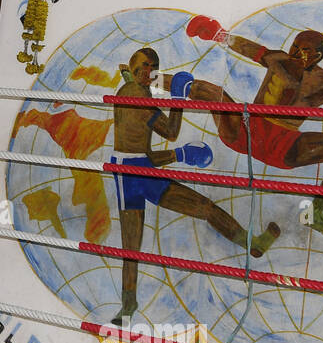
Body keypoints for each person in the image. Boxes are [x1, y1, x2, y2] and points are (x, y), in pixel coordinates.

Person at [182, 19, 323, 239]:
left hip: (283, 145)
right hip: (246, 131)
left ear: (317, 57)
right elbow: (249, 48)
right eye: (294, 45)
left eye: (303, 50)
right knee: (211, 92)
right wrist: (217, 35)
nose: (295, 52)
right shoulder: (278, 60)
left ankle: (315, 211)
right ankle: (155, 81)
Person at [109, 48, 280, 326]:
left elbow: (144, 156)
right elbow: (171, 131)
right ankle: (128, 305)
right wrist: (177, 98)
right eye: (142, 65)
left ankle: (252, 243)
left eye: (151, 66)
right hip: (129, 173)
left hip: (139, 168)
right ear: (132, 66)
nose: (146, 70)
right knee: (134, 243)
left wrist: (180, 155)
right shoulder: (136, 93)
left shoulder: (133, 89)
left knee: (200, 209)